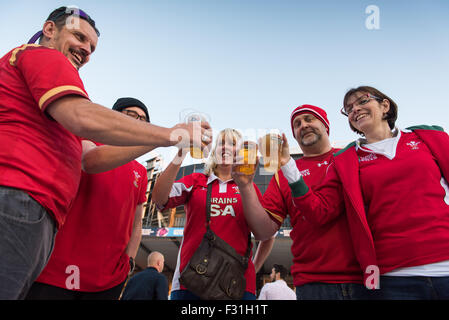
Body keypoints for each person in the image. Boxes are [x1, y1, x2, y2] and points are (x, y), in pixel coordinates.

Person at [0, 6, 211, 299]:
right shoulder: (43, 56)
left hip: (35, 210)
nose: (85, 50)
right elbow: (82, 116)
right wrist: (171, 134)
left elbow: (90, 159)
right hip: (17, 198)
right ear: (49, 30)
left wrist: (168, 141)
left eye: (92, 46)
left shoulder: (49, 96)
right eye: (78, 36)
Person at [286, 86, 449, 299]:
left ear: (385, 106)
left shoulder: (427, 137)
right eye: (349, 108)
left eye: (362, 101)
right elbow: (319, 212)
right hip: (394, 278)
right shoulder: (345, 160)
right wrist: (289, 168)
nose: (355, 109)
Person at [233, 105, 371, 300]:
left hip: (366, 278)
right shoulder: (283, 174)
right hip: (313, 283)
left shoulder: (351, 157)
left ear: (326, 126)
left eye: (309, 119)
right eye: (297, 124)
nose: (303, 125)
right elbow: (264, 232)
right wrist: (246, 187)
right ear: (294, 136)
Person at [25, 98, 150, 300]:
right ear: (113, 116)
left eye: (144, 119)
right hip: (57, 269)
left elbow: (136, 223)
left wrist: (130, 261)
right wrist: (160, 139)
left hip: (107, 278)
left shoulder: (141, 171)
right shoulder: (86, 141)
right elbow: (90, 161)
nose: (138, 121)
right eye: (131, 115)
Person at [151, 129, 263, 300]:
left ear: (240, 153)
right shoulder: (195, 180)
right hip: (191, 280)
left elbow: (266, 232)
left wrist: (254, 267)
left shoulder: (249, 188)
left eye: (233, 144)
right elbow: (158, 198)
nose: (225, 147)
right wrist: (181, 154)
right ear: (213, 151)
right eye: (221, 143)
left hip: (237, 284)